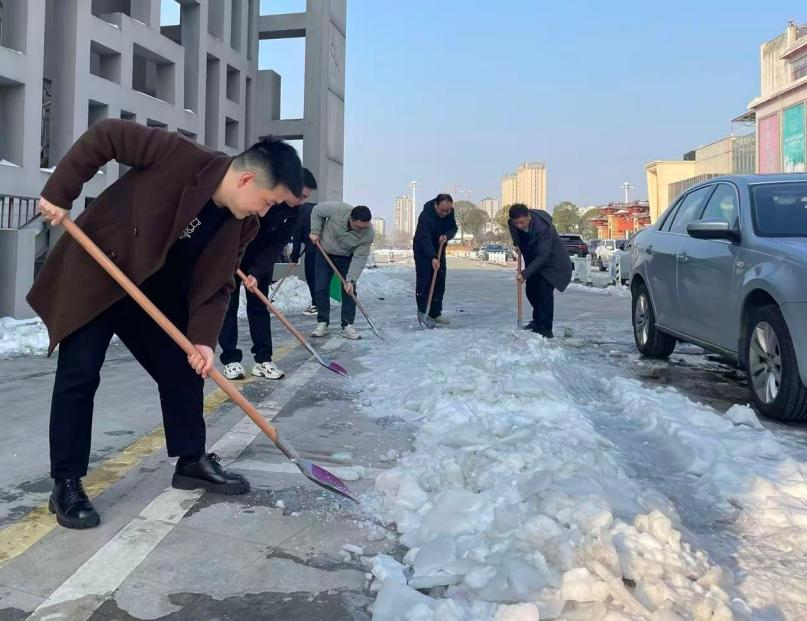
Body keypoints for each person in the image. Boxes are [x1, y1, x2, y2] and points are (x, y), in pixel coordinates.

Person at [28, 119, 303, 529]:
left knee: (185, 365)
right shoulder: (179, 156)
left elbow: (217, 287)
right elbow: (106, 135)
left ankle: (191, 460)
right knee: (79, 374)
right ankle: (66, 483)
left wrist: (204, 342)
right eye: (267, 201)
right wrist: (59, 192)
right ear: (247, 179)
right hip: (101, 273)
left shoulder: (242, 224)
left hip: (152, 298)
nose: (265, 212)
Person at [218, 168, 317, 381]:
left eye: (306, 198)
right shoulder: (260, 195)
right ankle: (230, 360)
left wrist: (256, 272)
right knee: (228, 306)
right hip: (231, 255)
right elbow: (232, 226)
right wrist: (230, 256)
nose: (301, 202)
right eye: (300, 196)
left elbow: (276, 244)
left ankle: (263, 360)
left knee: (259, 307)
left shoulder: (294, 212)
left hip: (259, 260)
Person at [309, 202, 374, 340]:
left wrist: (351, 279)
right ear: (351, 219)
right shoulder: (338, 209)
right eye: (358, 227)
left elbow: (360, 257)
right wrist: (315, 231)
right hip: (324, 252)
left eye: (364, 227)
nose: (361, 230)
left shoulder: (368, 233)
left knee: (349, 290)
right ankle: (323, 323)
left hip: (346, 257)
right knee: (320, 288)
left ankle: (347, 325)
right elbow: (317, 211)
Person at [508, 203, 573, 338]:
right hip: (535, 262)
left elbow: (544, 256)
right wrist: (516, 243)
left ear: (529, 217)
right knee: (531, 292)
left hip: (552, 264)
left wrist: (524, 274)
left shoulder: (543, 228)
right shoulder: (512, 222)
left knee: (543, 293)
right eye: (516, 223)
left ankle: (545, 328)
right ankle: (537, 321)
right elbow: (513, 229)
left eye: (522, 222)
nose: (519, 226)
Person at [413, 194, 457, 324]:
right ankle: (423, 311)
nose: (445, 213)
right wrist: (432, 257)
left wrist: (447, 236)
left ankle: (435, 312)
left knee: (439, 279)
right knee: (425, 279)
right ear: (436, 205)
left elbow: (453, 228)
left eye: (448, 210)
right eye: (442, 210)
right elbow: (424, 239)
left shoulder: (450, 213)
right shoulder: (425, 216)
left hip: (440, 247)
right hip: (423, 250)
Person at [289, 199, 318, 316]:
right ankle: (320, 303)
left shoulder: (297, 217)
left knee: (310, 275)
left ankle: (316, 304)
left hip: (315, 247)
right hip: (324, 245)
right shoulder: (310, 207)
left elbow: (296, 241)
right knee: (320, 276)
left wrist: (294, 259)